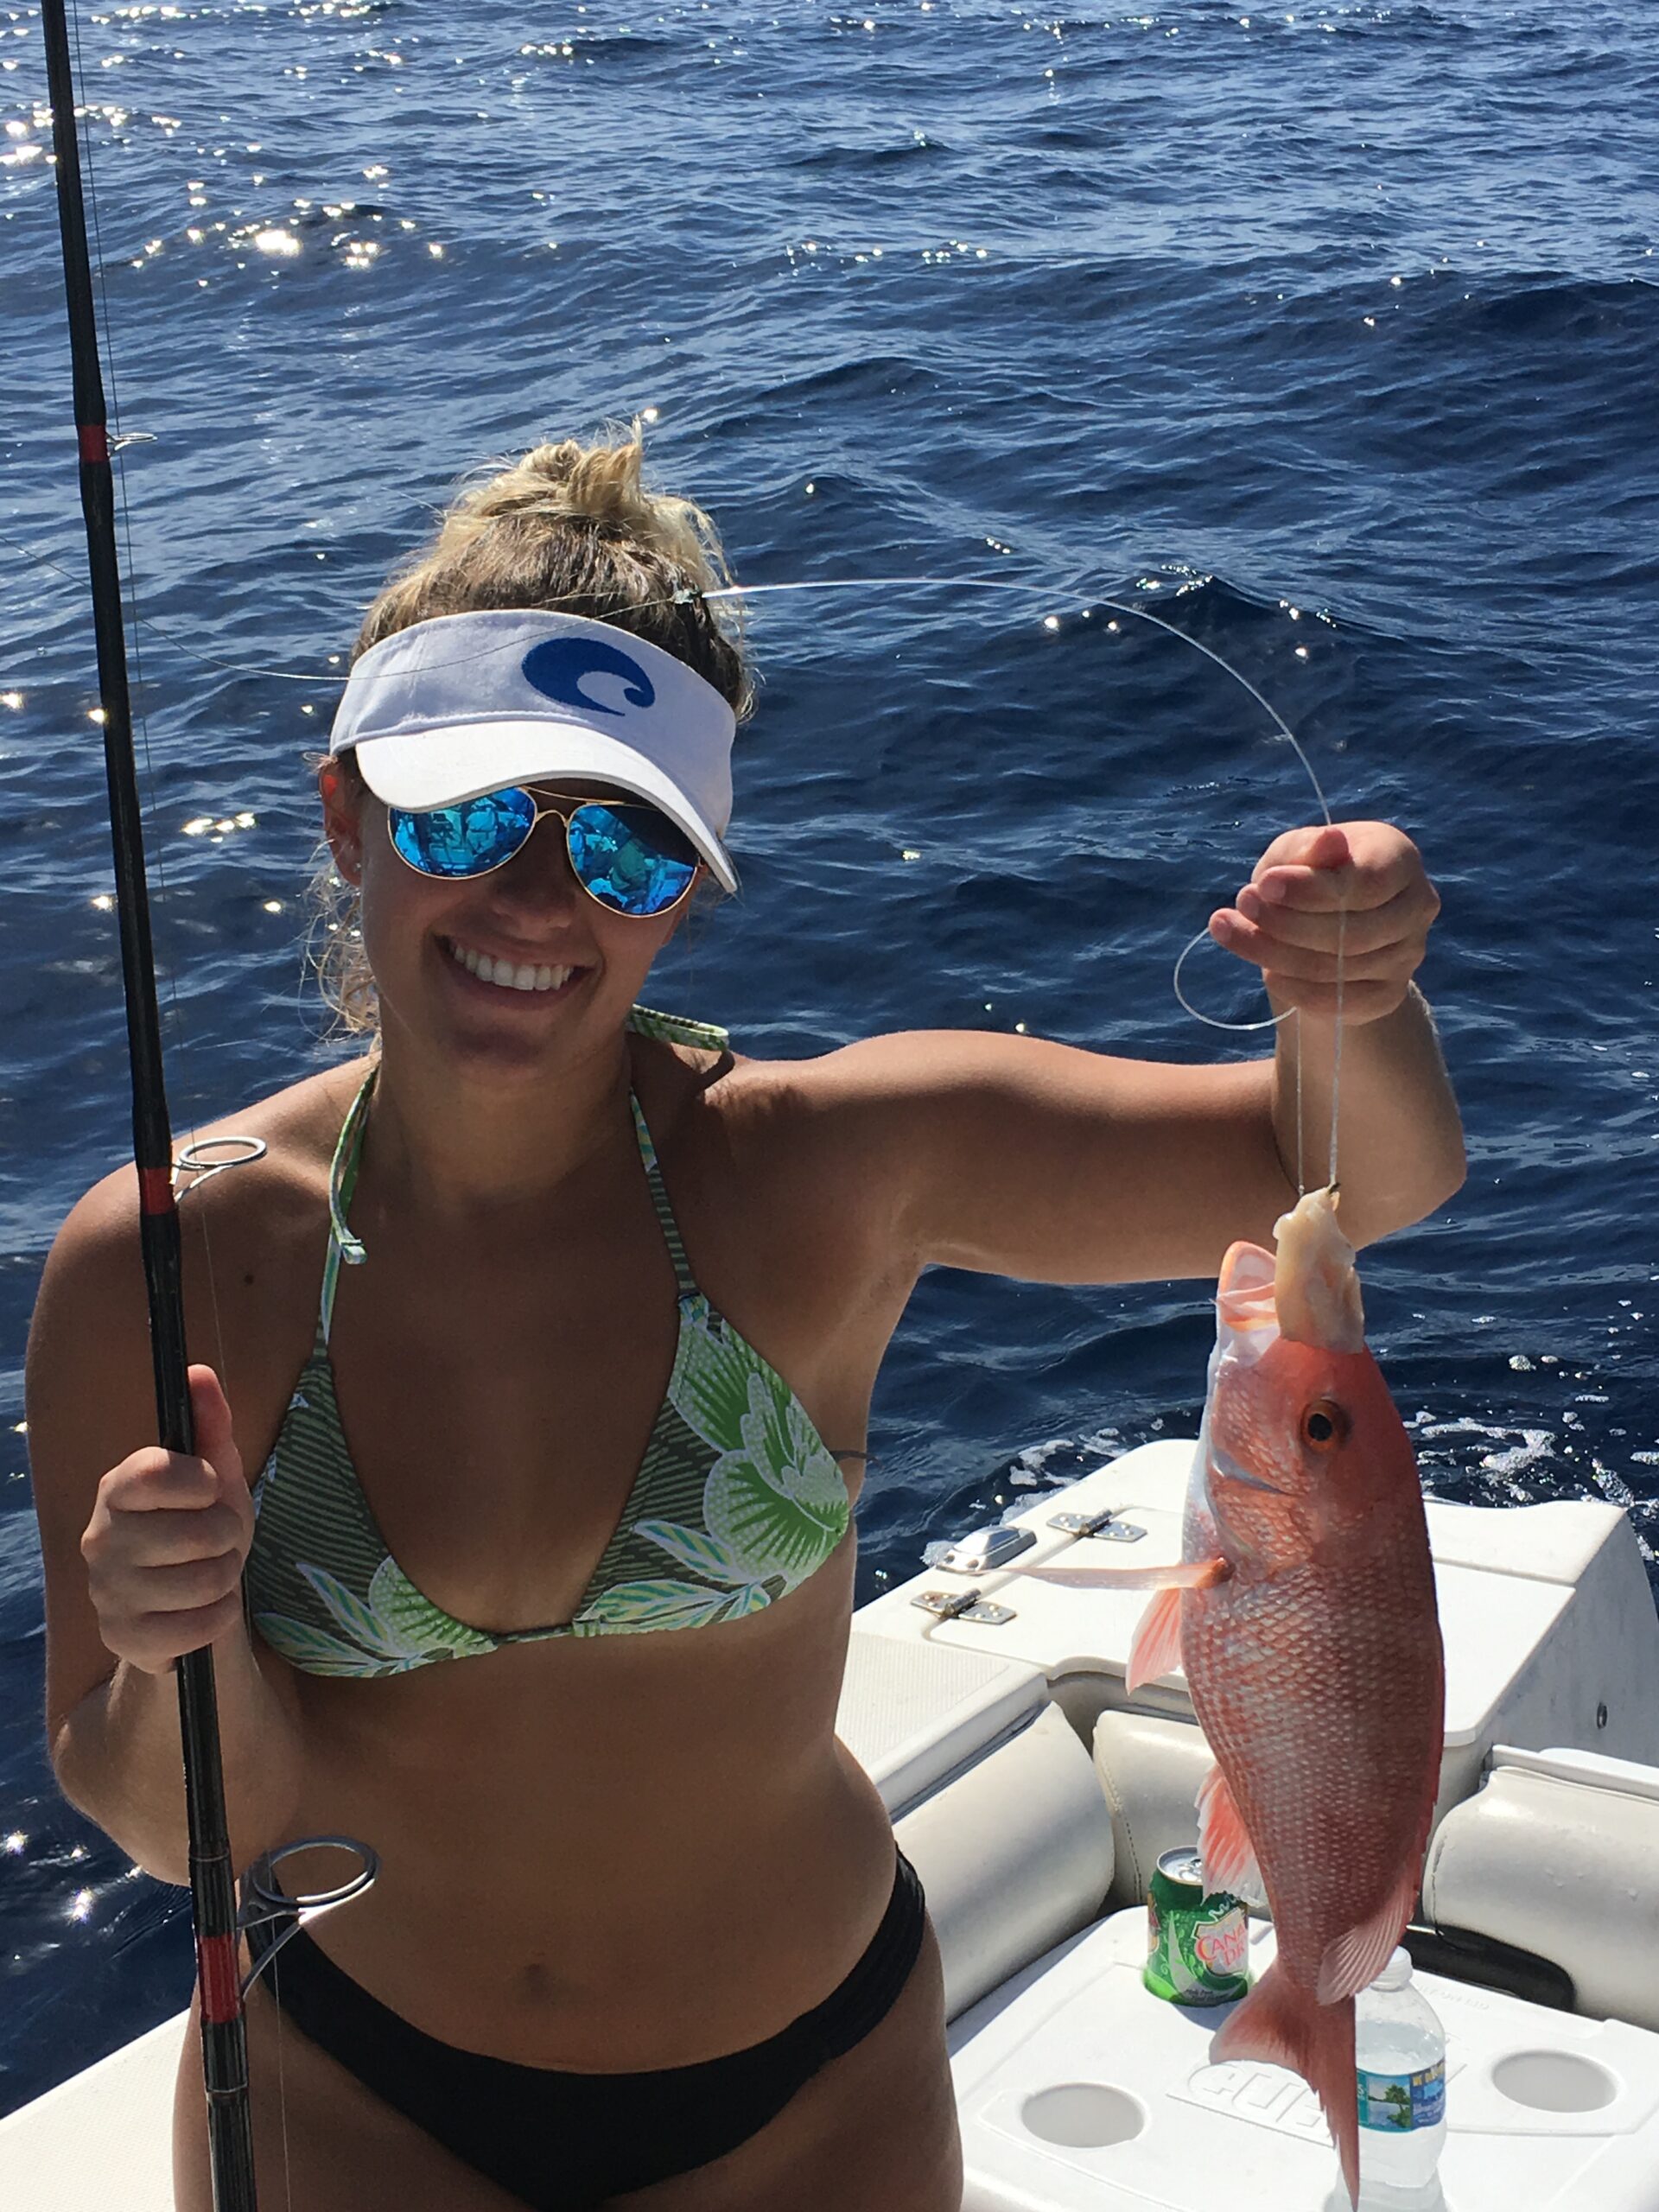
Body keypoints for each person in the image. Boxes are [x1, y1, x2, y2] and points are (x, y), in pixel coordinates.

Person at [25, 431, 1465, 2212]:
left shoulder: (828, 1171)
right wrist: (178, 1642)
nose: (537, 901)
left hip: (810, 2092)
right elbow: (173, 1818)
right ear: (348, 811)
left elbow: (1346, 1169)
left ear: (690, 885)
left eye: (624, 852)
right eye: (467, 814)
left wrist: (1357, 989)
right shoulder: (169, 1258)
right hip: (355, 2081)